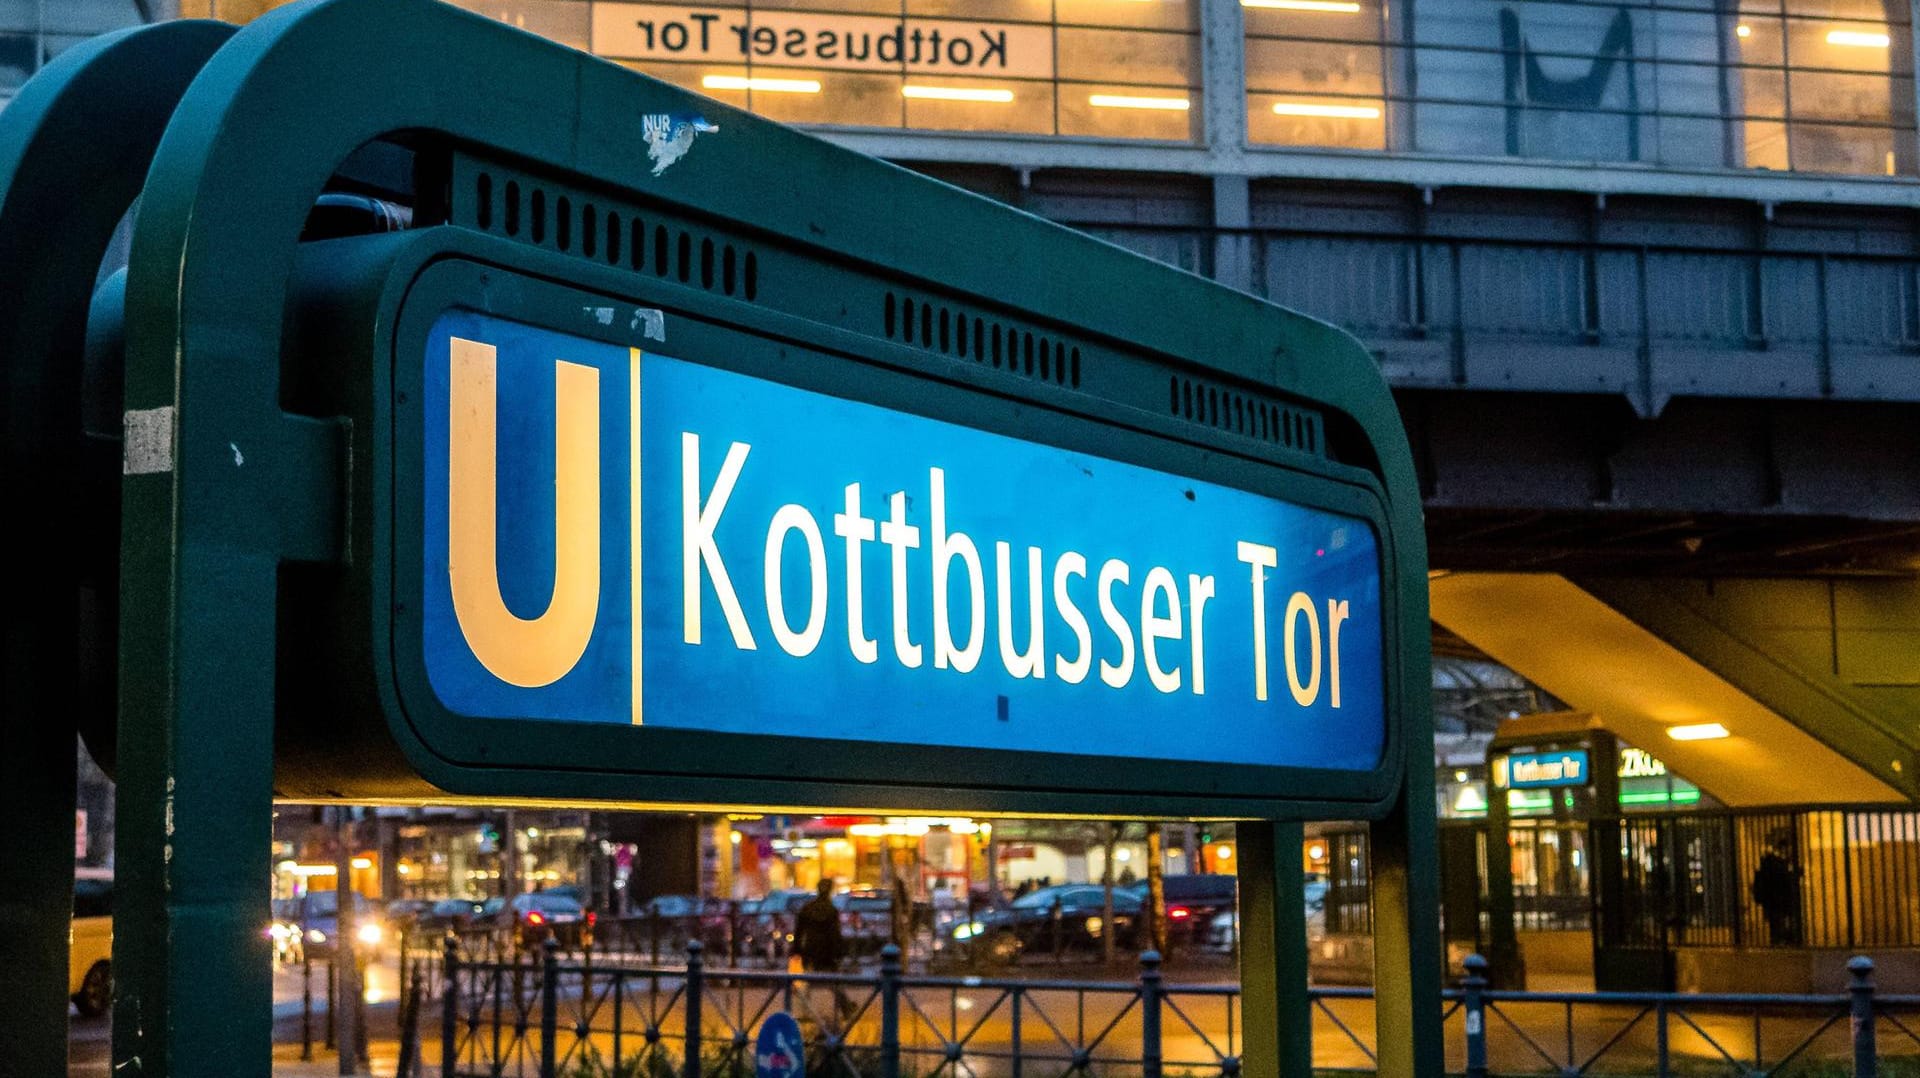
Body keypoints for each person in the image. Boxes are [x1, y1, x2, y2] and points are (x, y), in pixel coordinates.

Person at [1752, 837, 1804, 946]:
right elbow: (1783, 877)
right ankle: (1779, 940)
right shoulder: (1776, 862)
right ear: (1782, 848)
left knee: (1775, 920)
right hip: (1778, 897)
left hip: (1773, 897)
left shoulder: (1769, 860)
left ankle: (1776, 940)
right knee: (1778, 919)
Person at [792, 879, 844, 973]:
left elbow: (799, 930)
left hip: (810, 947)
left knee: (811, 977)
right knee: (826, 980)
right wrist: (839, 952)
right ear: (830, 891)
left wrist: (796, 949)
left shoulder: (807, 908)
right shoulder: (831, 910)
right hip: (828, 949)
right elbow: (835, 933)